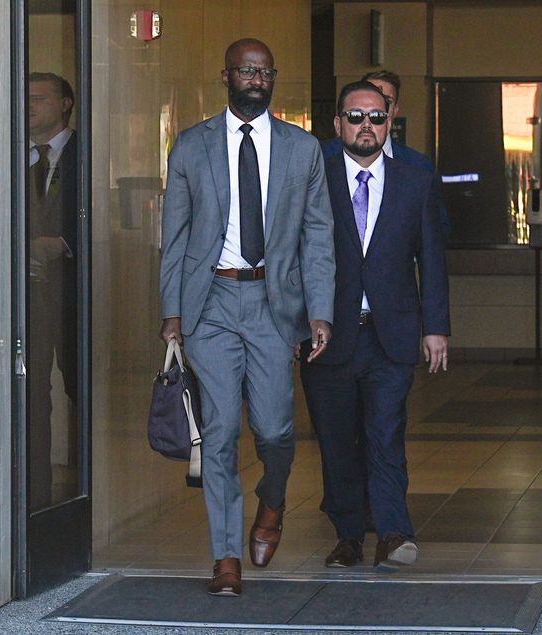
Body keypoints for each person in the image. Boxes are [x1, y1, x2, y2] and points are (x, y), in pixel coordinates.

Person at [159, 38, 335, 597]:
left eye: (264, 71)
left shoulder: (302, 149)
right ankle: (225, 557)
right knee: (220, 431)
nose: (255, 78)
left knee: (276, 428)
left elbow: (318, 236)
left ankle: (274, 498)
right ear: (227, 75)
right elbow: (176, 238)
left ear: (273, 78)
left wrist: (321, 311)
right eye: (245, 70)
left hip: (272, 304)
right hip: (210, 302)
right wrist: (172, 312)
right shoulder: (191, 146)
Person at [300, 81, 450, 570]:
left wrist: (436, 327)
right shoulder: (312, 178)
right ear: (338, 124)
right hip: (326, 336)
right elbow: (289, 256)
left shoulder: (414, 181)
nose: (368, 125)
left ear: (390, 124)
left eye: (377, 117)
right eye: (357, 117)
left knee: (386, 435)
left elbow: (431, 258)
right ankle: (347, 536)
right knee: (337, 441)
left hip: (392, 335)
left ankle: (392, 532)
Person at [27, 72, 78, 511]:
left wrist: (60, 245)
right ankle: (36, 497)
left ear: (65, 104)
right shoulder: (12, 156)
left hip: (77, 298)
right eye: (25, 99)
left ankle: (83, 493)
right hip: (30, 301)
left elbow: (101, 220)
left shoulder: (86, 154)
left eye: (39, 99)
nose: (30, 106)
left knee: (79, 391)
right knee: (32, 396)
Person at [320, 70, 451, 239]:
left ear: (393, 111)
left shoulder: (418, 165)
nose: (369, 118)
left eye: (385, 102)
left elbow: (437, 228)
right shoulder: (320, 157)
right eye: (358, 113)